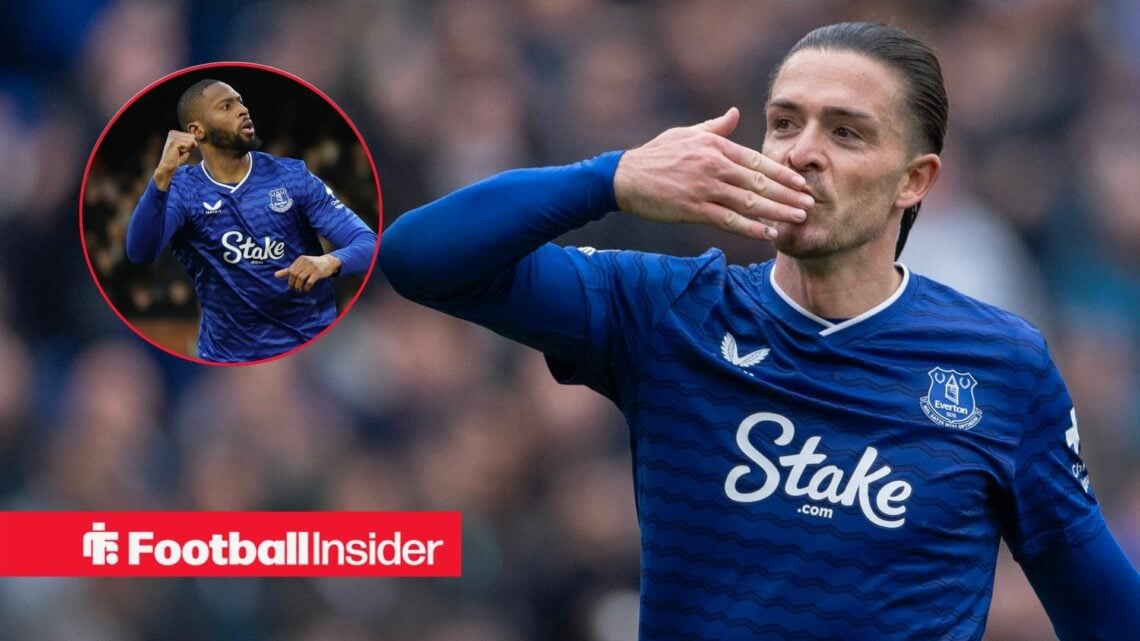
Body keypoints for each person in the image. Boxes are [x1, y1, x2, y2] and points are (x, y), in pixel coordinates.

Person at [380, 21, 1140, 640]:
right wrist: (608, 179)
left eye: (846, 133)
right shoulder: (667, 309)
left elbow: (1106, 614)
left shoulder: (998, 366)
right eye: (784, 123)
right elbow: (419, 259)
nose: (802, 151)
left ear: (914, 180)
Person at [126, 79, 377, 363]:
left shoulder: (292, 177)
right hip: (227, 361)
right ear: (197, 131)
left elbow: (368, 245)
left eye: (240, 101)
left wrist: (329, 262)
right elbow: (141, 252)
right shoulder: (183, 189)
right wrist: (161, 177)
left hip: (306, 352)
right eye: (226, 106)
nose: (242, 110)